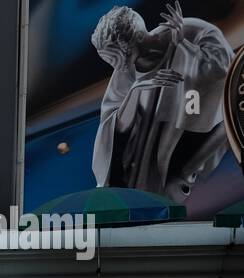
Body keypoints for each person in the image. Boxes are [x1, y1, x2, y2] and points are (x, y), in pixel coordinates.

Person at [91, 3, 231, 201]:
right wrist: (136, 90)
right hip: (147, 154)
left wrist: (183, 47)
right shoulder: (125, 71)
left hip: (196, 131)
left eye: (127, 57)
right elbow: (113, 124)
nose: (123, 67)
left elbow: (225, 73)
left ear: (138, 38)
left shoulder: (192, 31)